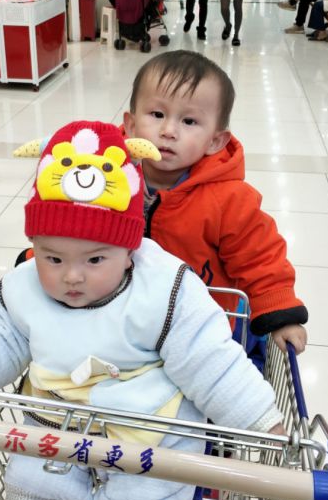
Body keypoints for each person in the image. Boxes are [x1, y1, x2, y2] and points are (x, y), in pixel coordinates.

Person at [0, 120, 286, 500]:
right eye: (53, 258)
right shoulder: (25, 287)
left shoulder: (164, 289)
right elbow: (1, 334)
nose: (72, 276)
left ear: (130, 251)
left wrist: (260, 421)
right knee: (28, 487)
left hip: (148, 428)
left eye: (94, 260)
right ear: (34, 245)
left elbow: (208, 359)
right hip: (53, 420)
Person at [123, 51, 308, 355]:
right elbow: (73, 223)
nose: (168, 131)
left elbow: (259, 257)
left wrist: (280, 313)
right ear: (130, 125)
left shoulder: (230, 200)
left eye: (189, 121)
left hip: (203, 327)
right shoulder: (107, 175)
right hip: (124, 315)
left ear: (215, 141)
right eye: (156, 114)